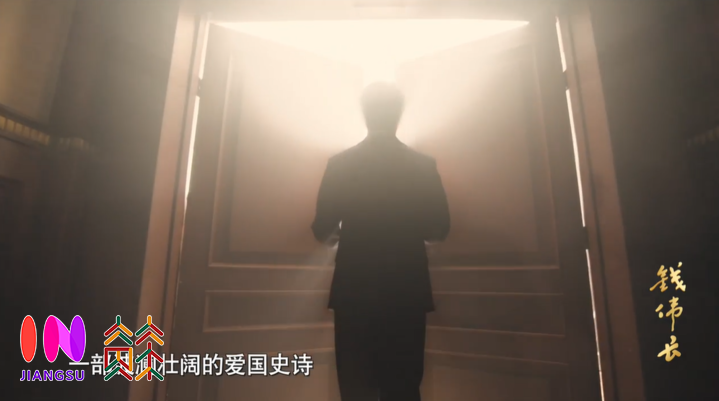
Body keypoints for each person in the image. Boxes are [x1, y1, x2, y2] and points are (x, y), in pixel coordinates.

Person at [311, 82, 451, 401]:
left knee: (355, 386)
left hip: (354, 290)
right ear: (399, 114)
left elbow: (322, 229)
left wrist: (344, 235)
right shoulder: (422, 165)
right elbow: (439, 229)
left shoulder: (341, 163)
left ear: (364, 114)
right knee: (403, 386)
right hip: (407, 290)